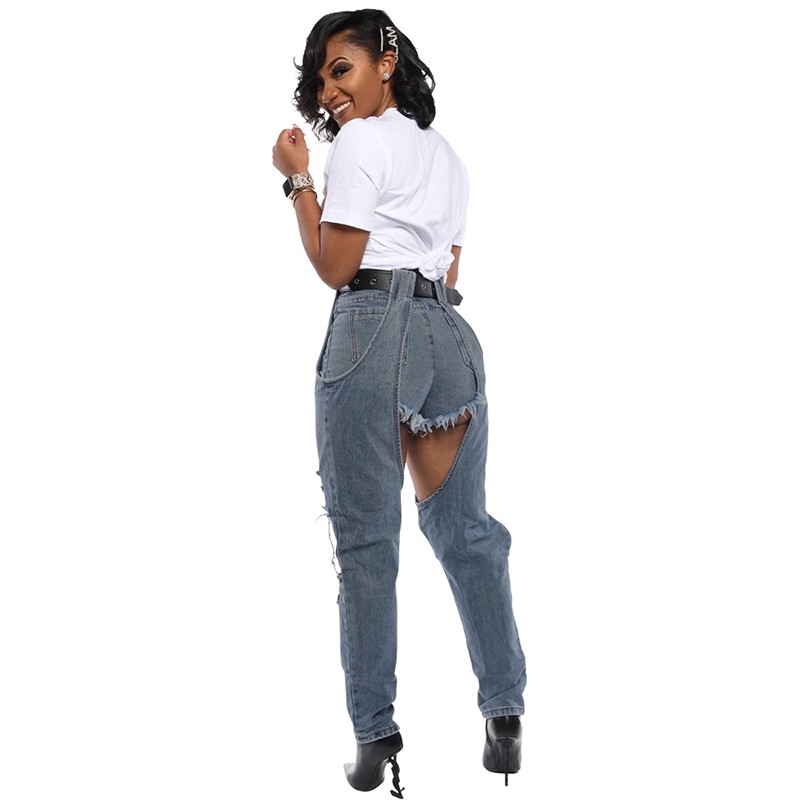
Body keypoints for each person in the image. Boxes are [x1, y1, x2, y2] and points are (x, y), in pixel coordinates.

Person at [272, 9, 526, 794]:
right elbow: (450, 266)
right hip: (447, 335)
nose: (329, 92)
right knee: (467, 533)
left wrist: (297, 180)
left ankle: (374, 732)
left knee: (367, 545)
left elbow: (336, 264)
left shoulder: (358, 143)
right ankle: (505, 714)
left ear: (386, 62)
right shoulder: (447, 157)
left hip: (372, 328)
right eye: (320, 81)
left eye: (339, 70)